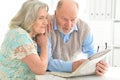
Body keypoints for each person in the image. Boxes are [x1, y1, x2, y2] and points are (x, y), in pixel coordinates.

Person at [37, 0, 108, 76]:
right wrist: (72, 66)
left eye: (73, 19)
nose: (69, 25)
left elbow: (92, 57)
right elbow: (47, 63)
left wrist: (99, 66)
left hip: (72, 75)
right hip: (47, 75)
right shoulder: (45, 26)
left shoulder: (84, 29)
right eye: (64, 19)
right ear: (55, 14)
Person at [0, 0, 49, 79]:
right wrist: (44, 46)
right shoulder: (20, 36)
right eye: (41, 18)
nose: (46, 22)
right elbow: (41, 69)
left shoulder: (20, 33)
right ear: (29, 19)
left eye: (46, 18)